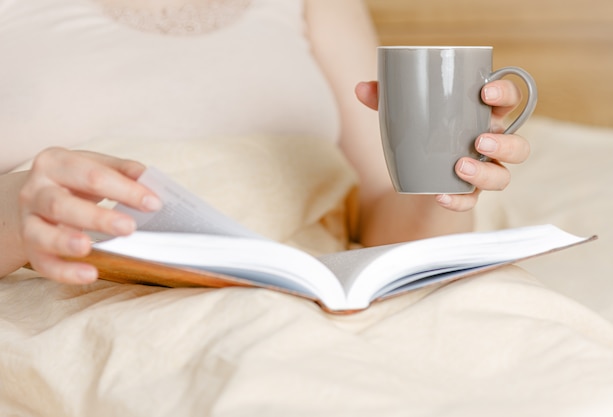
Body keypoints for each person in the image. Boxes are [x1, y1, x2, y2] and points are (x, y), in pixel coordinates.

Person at [0, 0, 528, 284]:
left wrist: (453, 179)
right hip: (81, 294)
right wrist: (16, 214)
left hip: (313, 297)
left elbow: (383, 217)